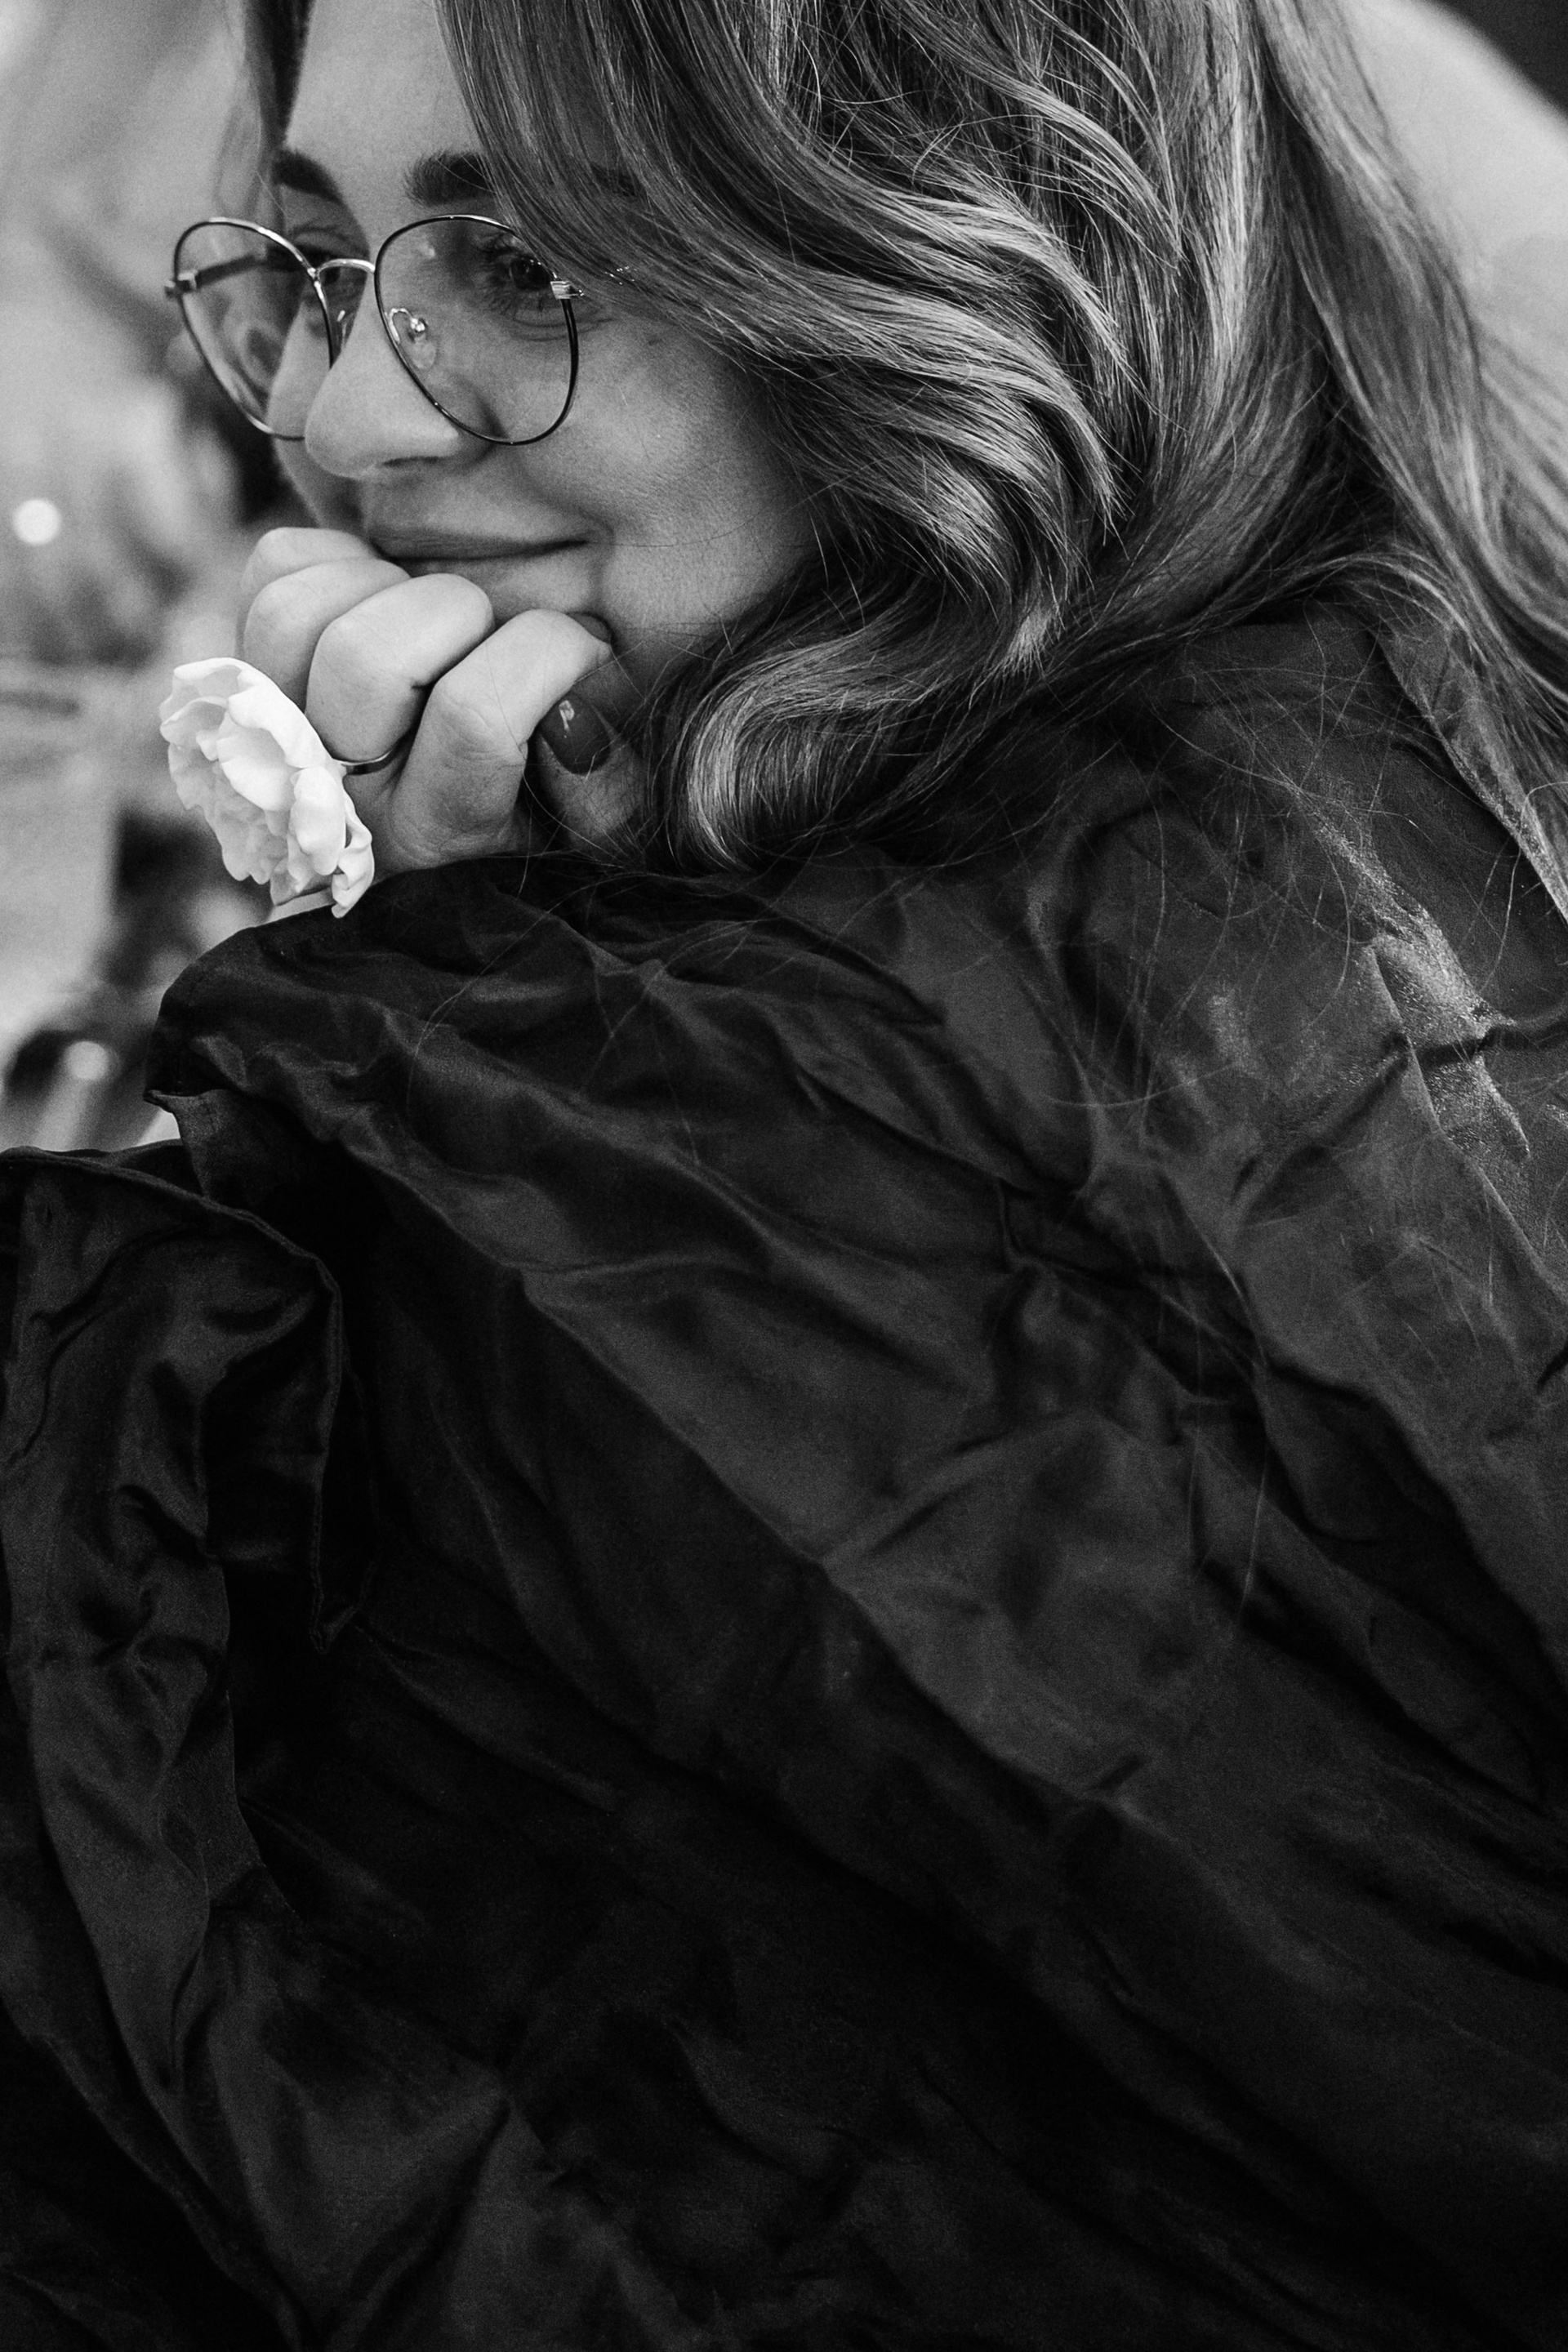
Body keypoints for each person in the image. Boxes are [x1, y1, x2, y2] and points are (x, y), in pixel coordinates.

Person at [4, 0, 1568, 2346]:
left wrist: (473, 1063)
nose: (345, 422)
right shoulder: (1267, 768)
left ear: (943, 271)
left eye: (527, 266)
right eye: (310, 269)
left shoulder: (1211, 1005)